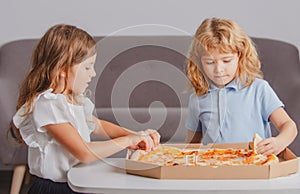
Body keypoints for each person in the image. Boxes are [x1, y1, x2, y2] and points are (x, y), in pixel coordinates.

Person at [11, 24, 160, 194]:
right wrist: (128, 141)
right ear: (63, 70)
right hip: (55, 189)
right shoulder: (48, 105)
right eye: (88, 67)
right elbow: (84, 153)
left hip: (77, 182)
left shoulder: (73, 100)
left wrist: (136, 136)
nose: (93, 73)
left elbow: (98, 126)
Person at [185, 17, 297, 156]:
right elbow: (191, 145)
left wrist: (279, 142)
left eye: (226, 60)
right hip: (215, 169)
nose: (218, 69)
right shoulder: (197, 98)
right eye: (209, 62)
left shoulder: (258, 89)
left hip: (255, 165)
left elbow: (289, 126)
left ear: (240, 56)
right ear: (198, 61)